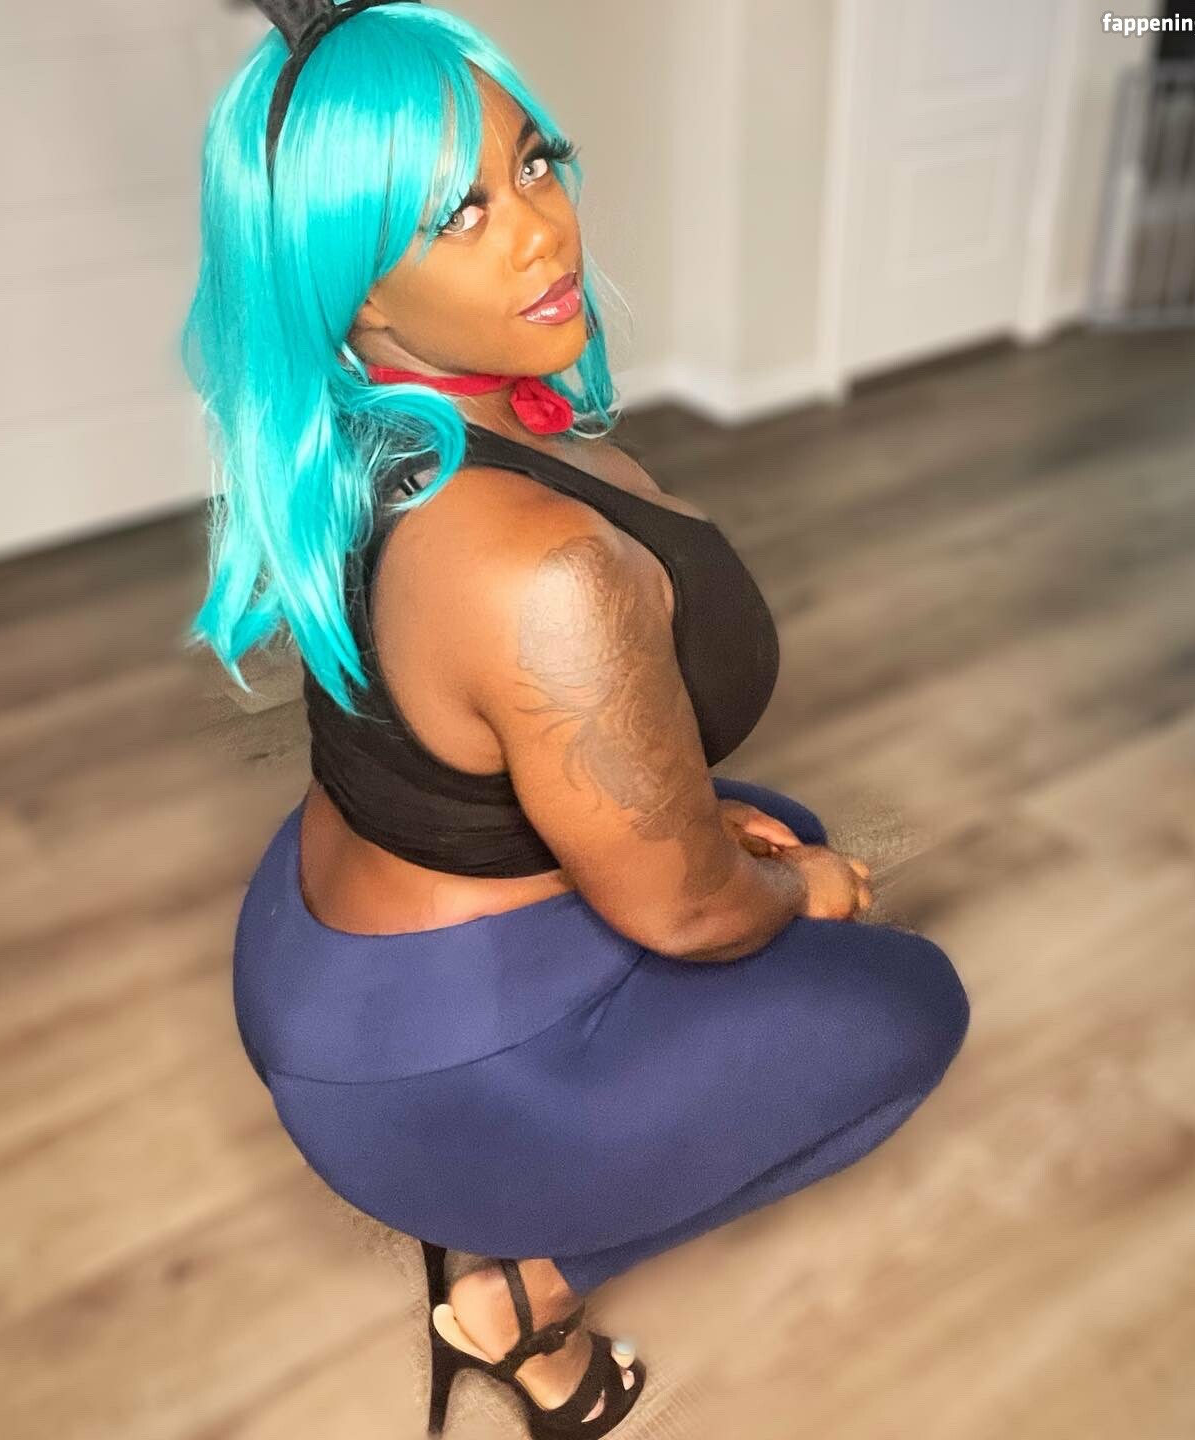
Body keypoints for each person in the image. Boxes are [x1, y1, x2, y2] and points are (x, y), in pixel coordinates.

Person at [182, 3, 971, 1435]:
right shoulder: (535, 570)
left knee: (773, 819)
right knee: (912, 1006)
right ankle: (521, 1296)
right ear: (350, 289)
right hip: (431, 1065)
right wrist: (801, 889)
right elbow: (691, 914)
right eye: (459, 214)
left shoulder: (379, 430)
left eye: (534, 163)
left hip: (329, 936)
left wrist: (747, 843)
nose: (542, 232)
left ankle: (517, 1221)